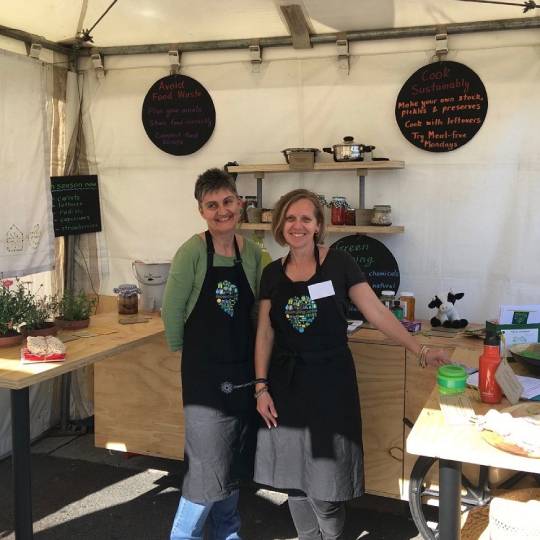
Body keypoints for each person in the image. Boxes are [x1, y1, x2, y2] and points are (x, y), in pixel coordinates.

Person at [253, 189, 449, 540]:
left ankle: (330, 536)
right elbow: (265, 333)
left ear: (317, 226)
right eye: (291, 218)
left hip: (331, 384)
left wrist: (418, 350)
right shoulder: (271, 273)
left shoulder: (340, 263)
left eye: (306, 219)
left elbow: (377, 312)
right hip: (286, 385)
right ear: (281, 224)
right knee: (293, 483)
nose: (297, 225)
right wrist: (261, 386)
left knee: (327, 487)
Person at [162, 168, 263, 540]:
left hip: (242, 373)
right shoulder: (192, 251)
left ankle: (228, 534)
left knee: (231, 461)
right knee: (206, 468)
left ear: (239, 203)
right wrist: (185, 355)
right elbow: (171, 310)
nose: (222, 211)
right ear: (201, 211)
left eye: (227, 202)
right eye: (212, 205)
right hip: (204, 377)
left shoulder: (253, 254)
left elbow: (262, 309)